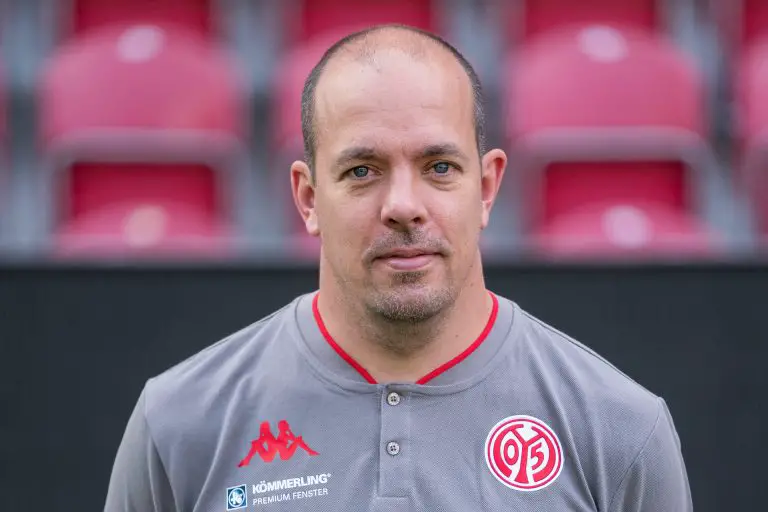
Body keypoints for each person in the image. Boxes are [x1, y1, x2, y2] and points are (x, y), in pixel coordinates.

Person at [104, 24, 692, 511]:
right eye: (362, 170)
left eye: (439, 167)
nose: (404, 206)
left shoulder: (619, 430)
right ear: (308, 198)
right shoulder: (179, 423)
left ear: (486, 188)